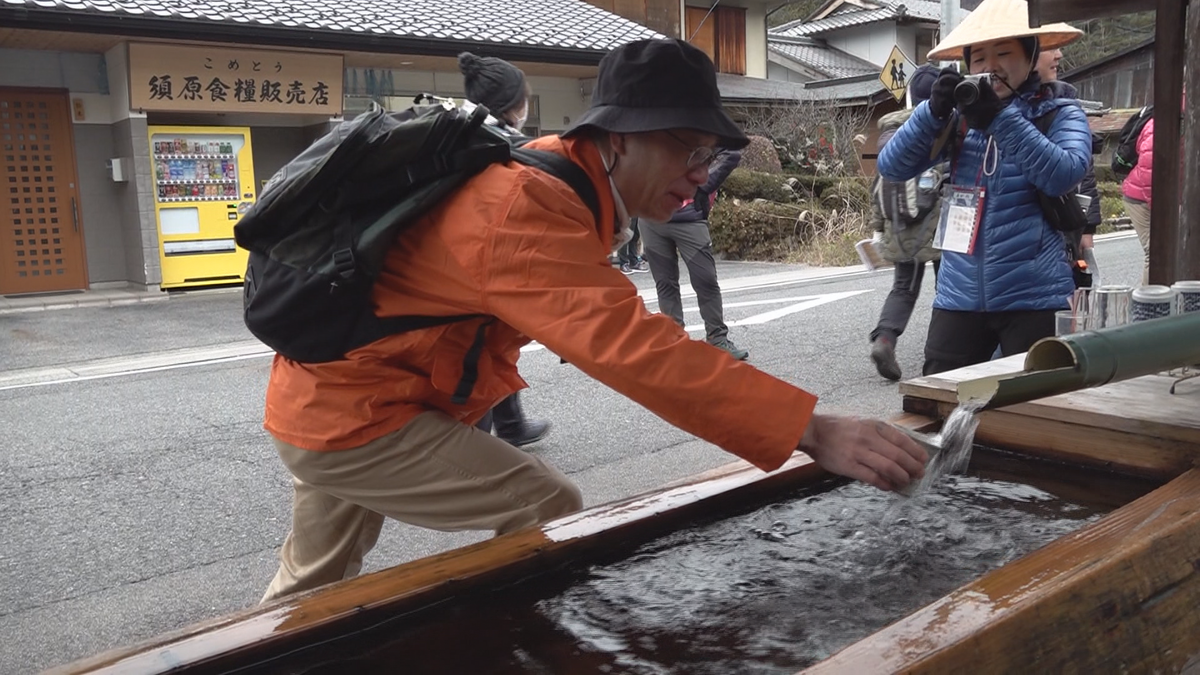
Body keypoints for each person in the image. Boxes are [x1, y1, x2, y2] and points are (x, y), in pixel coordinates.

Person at [259, 38, 927, 602]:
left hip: (329, 398)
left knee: (304, 594)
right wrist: (808, 427)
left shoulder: (558, 180)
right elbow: (636, 352)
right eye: (687, 151)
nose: (700, 177)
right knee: (543, 506)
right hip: (359, 418)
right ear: (616, 140)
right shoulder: (522, 208)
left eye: (708, 157)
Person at [877, 0, 1091, 376]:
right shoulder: (959, 121)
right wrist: (932, 111)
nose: (990, 66)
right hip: (958, 296)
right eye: (978, 59)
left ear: (1030, 57)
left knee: (1033, 410)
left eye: (1004, 53)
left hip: (1035, 297)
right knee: (942, 402)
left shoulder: (1059, 111)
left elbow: (1064, 172)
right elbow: (893, 166)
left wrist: (999, 118)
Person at [458, 51, 551, 446]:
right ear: (514, 104)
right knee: (476, 357)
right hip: (475, 269)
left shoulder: (455, 130)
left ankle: (510, 425)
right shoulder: (499, 144)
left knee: (491, 348)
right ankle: (476, 452)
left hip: (458, 265)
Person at [868, 64, 943, 382]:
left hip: (898, 224)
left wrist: (877, 227)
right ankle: (941, 354)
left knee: (902, 289)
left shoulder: (889, 133)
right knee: (949, 290)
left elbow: (877, 184)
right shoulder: (941, 130)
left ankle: (885, 339)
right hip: (938, 226)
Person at [639, 148, 748, 360]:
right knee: (665, 283)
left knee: (705, 280)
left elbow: (731, 152)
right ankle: (674, 341)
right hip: (651, 219)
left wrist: (701, 186)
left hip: (690, 219)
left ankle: (717, 339)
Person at [1035, 47, 1103, 286]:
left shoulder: (1065, 109)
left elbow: (1085, 174)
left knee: (1073, 292)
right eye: (1049, 48)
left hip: (1065, 224)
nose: (1059, 55)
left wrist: (1088, 227)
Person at [1121, 109, 1154, 286]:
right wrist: (1162, 207)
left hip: (1159, 195)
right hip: (1141, 197)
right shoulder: (1161, 123)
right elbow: (1150, 170)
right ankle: (1150, 308)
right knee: (1156, 252)